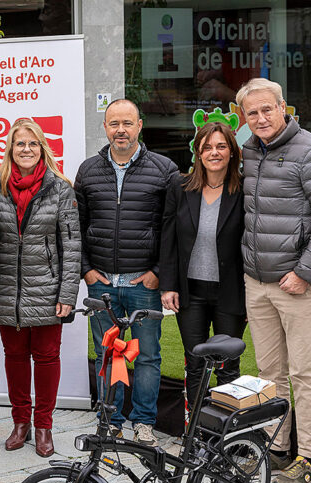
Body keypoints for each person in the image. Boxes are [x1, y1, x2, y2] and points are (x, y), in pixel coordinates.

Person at [236, 77, 311, 483]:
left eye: (268, 109)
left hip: (298, 285)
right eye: (253, 112)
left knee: (304, 373)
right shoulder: (249, 151)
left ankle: (310, 459)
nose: (261, 118)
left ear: (284, 107)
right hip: (258, 282)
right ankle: (277, 447)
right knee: (270, 373)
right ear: (242, 117)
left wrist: (305, 272)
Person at [75, 99, 179, 446]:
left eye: (127, 123)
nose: (120, 130)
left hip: (143, 284)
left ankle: (144, 422)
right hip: (100, 284)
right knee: (108, 353)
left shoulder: (164, 169)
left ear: (140, 125)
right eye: (114, 123)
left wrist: (158, 272)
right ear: (105, 127)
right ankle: (111, 420)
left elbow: (172, 228)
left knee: (147, 355)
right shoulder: (88, 170)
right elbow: (78, 226)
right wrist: (86, 270)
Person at [0, 118, 80, 458]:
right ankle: (20, 423)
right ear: (9, 148)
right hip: (7, 290)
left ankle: (43, 426)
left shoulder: (60, 189)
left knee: (45, 358)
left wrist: (67, 295)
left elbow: (72, 247)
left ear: (42, 148)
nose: (26, 150)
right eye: (20, 144)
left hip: (48, 289)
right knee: (14, 357)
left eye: (33, 144)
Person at [159, 121, 247, 414]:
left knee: (227, 366)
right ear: (198, 151)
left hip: (230, 292)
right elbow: (168, 238)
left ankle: (224, 436)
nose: (214, 152)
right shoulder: (180, 186)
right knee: (195, 363)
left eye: (221, 146)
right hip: (190, 291)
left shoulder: (244, 190)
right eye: (207, 146)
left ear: (232, 152)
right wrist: (168, 284)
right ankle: (195, 434)